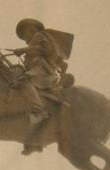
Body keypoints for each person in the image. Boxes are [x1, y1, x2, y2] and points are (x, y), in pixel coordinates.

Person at [13, 18, 73, 155]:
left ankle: (39, 111)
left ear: (32, 29)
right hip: (36, 71)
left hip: (43, 73)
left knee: (23, 82)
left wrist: (24, 50)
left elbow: (45, 49)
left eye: (25, 33)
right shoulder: (33, 42)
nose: (25, 38)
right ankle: (32, 140)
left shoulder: (40, 36)